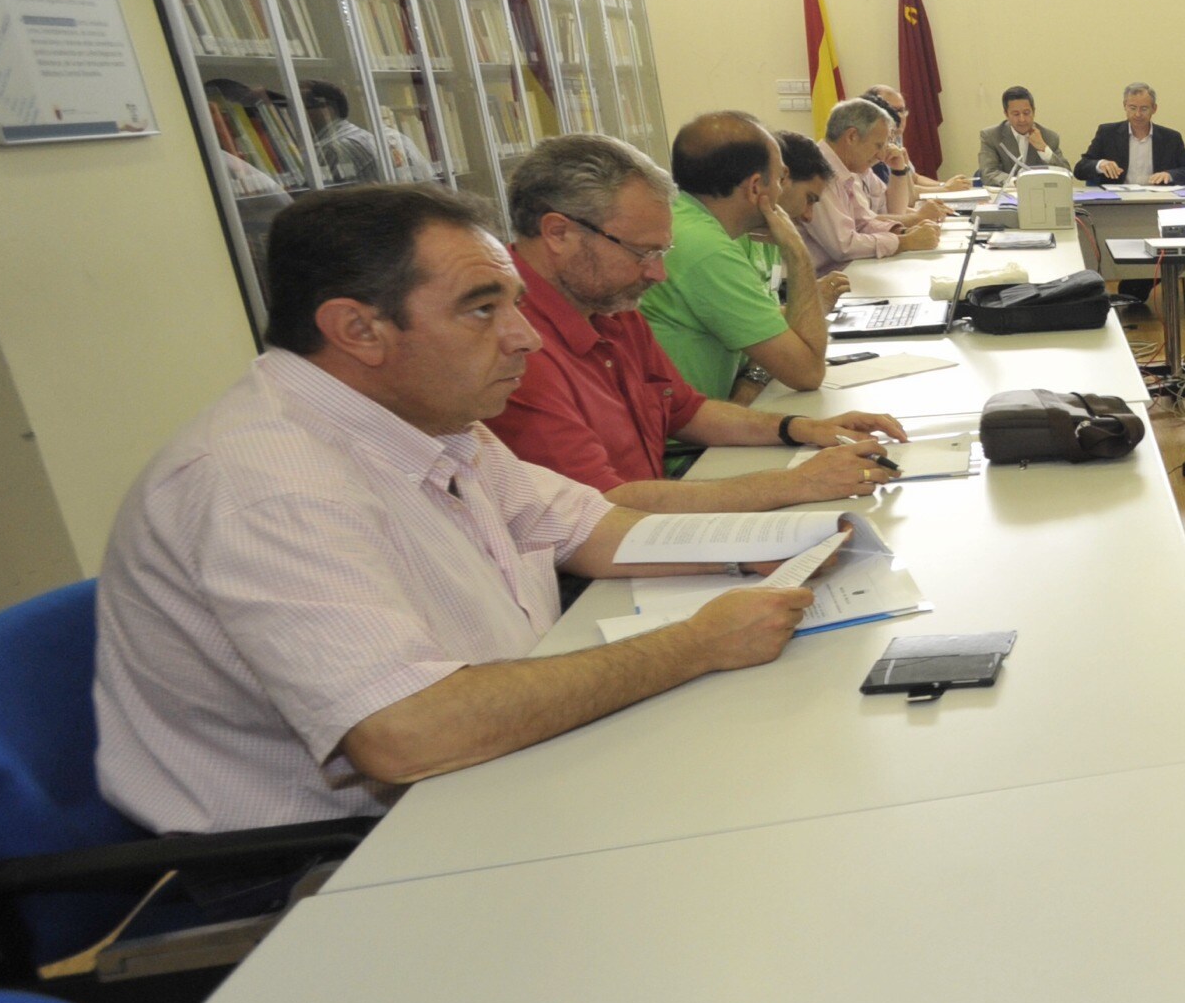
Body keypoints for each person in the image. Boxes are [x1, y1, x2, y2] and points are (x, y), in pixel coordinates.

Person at [94, 184, 817, 834]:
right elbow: (407, 733)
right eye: (481, 309)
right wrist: (696, 644)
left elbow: (595, 529)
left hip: (497, 764)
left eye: (515, 304)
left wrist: (799, 538)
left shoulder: (432, 419)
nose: (525, 337)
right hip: (347, 856)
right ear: (358, 331)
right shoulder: (264, 482)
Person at [493, 135, 908, 508]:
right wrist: (794, 484)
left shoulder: (606, 303)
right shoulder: (510, 344)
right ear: (558, 233)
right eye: (643, 253)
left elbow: (684, 409)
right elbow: (601, 506)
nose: (657, 273)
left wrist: (803, 428)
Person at [641, 112, 842, 401]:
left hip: (706, 426)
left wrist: (754, 379)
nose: (781, 190)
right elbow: (807, 373)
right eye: (781, 179)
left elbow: (764, 337)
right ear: (756, 186)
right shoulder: (706, 248)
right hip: (687, 444)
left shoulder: (687, 221)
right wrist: (797, 252)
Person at [808, 99, 944, 268]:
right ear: (852, 136)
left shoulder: (846, 169)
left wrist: (903, 232)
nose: (881, 156)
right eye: (878, 145)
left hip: (848, 272)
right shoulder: (817, 171)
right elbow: (844, 246)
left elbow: (864, 222)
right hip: (821, 281)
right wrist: (904, 242)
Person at [1077, 82, 1185, 186]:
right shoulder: (1107, 133)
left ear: (1154, 109)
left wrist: (1170, 175)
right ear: (1125, 106)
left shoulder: (1170, 138)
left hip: (1157, 201)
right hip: (1117, 204)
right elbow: (1080, 169)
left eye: (1144, 109)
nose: (1138, 114)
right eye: (1133, 108)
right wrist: (1100, 164)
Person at [976, 85, 1065, 184]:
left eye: (1026, 113)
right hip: (1006, 195)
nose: (1022, 119)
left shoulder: (1049, 137)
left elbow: (1066, 175)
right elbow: (988, 173)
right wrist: (1018, 182)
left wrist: (1043, 149)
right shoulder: (991, 136)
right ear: (1006, 114)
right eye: (1016, 114)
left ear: (1034, 111)